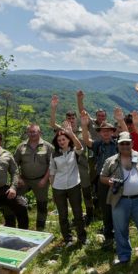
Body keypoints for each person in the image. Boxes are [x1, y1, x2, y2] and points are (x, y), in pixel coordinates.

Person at [100, 131, 138, 265]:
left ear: (132, 143)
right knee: (120, 230)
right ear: (118, 145)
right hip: (119, 200)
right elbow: (102, 177)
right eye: (122, 144)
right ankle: (124, 255)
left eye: (127, 143)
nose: (125, 146)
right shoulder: (111, 160)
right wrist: (109, 181)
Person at [51, 95, 93, 226]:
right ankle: (75, 215)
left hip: (82, 166)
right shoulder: (63, 132)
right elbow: (52, 124)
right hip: (67, 168)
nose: (71, 120)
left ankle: (89, 215)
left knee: (86, 191)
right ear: (66, 120)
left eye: (73, 118)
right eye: (68, 118)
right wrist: (53, 108)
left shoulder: (83, 131)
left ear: (76, 119)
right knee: (72, 193)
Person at [49, 123, 88, 246]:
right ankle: (68, 239)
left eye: (63, 139)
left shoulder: (74, 151)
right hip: (58, 187)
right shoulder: (54, 154)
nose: (61, 142)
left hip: (74, 185)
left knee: (78, 213)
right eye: (59, 140)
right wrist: (53, 187)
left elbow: (80, 148)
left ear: (68, 140)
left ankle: (82, 238)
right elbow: (52, 171)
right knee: (63, 215)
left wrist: (72, 134)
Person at [13, 124, 53, 230]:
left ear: (39, 132)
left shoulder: (47, 146)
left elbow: (52, 165)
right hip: (24, 180)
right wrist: (18, 178)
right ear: (27, 133)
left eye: (34, 132)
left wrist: (45, 179)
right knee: (13, 198)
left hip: (41, 180)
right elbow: (14, 164)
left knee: (42, 205)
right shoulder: (21, 147)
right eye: (30, 132)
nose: (32, 134)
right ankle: (20, 225)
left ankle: (40, 228)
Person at [88, 120, 118, 246]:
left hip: (117, 179)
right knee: (105, 207)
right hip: (102, 179)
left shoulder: (117, 144)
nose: (105, 133)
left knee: (117, 206)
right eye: (103, 131)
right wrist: (84, 126)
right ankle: (108, 233)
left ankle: (118, 231)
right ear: (100, 133)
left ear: (112, 132)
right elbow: (86, 140)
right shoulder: (97, 145)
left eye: (108, 130)